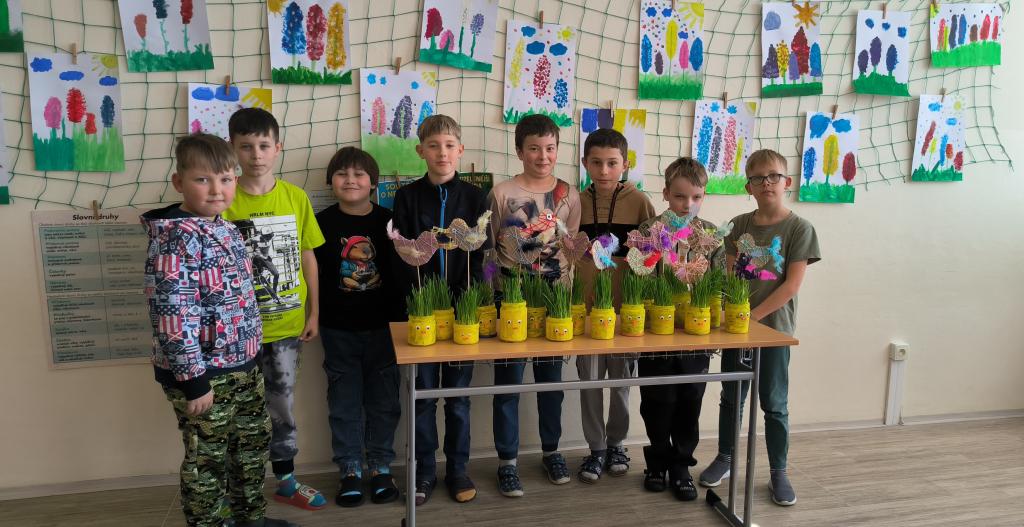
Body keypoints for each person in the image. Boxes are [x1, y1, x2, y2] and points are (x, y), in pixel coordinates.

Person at [142, 133, 298, 527]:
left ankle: (250, 518)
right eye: (203, 180)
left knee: (250, 446)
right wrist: (193, 381)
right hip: (203, 375)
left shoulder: (225, 229)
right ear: (179, 182)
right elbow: (173, 317)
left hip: (243, 365)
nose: (216, 189)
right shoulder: (175, 240)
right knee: (207, 460)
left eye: (226, 179)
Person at [698, 149, 821, 507]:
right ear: (748, 186)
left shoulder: (799, 229)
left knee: (774, 403)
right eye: (757, 178)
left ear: (787, 182)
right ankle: (725, 457)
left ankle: (778, 471)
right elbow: (730, 277)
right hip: (738, 332)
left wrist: (752, 316)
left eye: (773, 176)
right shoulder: (738, 226)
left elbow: (791, 285)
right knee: (731, 397)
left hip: (775, 331)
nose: (766, 183)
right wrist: (730, 318)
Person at [223, 108, 327, 511]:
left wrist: (314, 312)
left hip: (287, 326)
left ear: (277, 148)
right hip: (237, 333)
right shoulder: (222, 199)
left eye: (264, 145)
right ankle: (239, 489)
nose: (256, 155)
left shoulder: (295, 198)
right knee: (238, 411)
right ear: (233, 148)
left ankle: (285, 480)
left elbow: (308, 256)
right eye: (246, 146)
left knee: (282, 405)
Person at [392, 115, 490, 505]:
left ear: (460, 150)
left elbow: (481, 254)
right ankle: (424, 472)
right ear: (421, 151)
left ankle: (458, 470)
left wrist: (472, 300)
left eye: (449, 145)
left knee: (458, 398)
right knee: (423, 396)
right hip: (424, 313)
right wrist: (416, 302)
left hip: (462, 313)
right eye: (433, 146)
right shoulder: (407, 197)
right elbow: (403, 253)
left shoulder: (476, 197)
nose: (442, 153)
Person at [488, 114, 581, 497]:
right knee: (508, 383)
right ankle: (507, 462)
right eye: (534, 149)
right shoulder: (501, 193)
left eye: (549, 148)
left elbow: (572, 247)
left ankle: (551, 451)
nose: (543, 156)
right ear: (519, 151)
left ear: (557, 149)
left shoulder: (569, 194)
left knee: (551, 383)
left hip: (554, 301)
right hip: (510, 299)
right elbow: (491, 246)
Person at [314, 147, 404, 507]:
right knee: (344, 402)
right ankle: (349, 469)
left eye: (359, 174)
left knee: (384, 401)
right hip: (337, 329)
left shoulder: (390, 222)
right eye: (342, 174)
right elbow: (312, 274)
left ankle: (381, 466)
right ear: (330, 181)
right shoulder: (320, 223)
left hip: (386, 330)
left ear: (373, 183)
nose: (350, 180)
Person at [575, 128, 655, 483]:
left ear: (625, 164)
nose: (604, 170)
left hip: (626, 312)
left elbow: (652, 255)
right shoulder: (576, 201)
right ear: (585, 163)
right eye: (596, 162)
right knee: (590, 382)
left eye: (612, 163)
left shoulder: (640, 202)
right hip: (588, 311)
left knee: (622, 382)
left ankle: (617, 443)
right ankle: (595, 448)